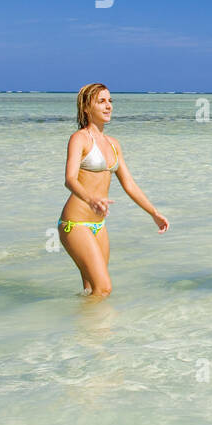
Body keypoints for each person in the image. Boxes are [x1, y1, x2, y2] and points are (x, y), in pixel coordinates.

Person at [57, 83, 169, 297]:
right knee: (104, 288)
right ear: (87, 108)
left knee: (91, 290)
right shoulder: (79, 138)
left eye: (110, 101)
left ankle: (86, 329)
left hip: (99, 225)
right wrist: (90, 199)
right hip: (75, 223)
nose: (108, 106)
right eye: (101, 101)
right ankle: (103, 329)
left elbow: (129, 184)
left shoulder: (113, 144)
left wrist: (154, 213)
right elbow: (69, 179)